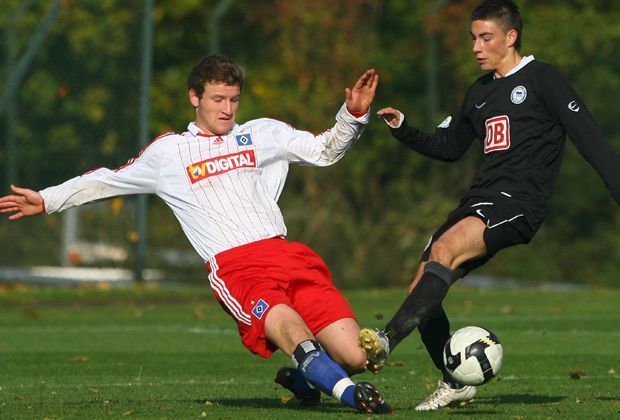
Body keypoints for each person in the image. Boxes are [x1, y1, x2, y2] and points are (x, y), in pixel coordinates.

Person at [0, 55, 392, 414]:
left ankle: (307, 382)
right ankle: (351, 396)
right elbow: (108, 180)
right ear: (194, 97)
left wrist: (353, 114)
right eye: (218, 99)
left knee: (356, 356)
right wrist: (48, 200)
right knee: (293, 332)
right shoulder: (170, 152)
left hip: (286, 255)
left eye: (234, 100)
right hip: (239, 270)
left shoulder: (263, 133)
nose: (227, 109)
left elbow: (325, 150)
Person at [359, 0, 620, 411]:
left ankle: (387, 339)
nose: (477, 47)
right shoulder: (479, 93)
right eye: (473, 38)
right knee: (422, 289)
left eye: (486, 37)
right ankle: (455, 381)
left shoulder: (544, 79)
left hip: (519, 201)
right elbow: (449, 148)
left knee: (443, 252)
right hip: (478, 199)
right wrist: (405, 129)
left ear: (510, 37)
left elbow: (591, 141)